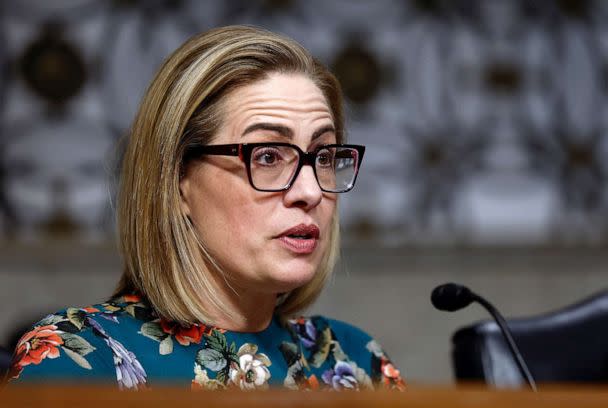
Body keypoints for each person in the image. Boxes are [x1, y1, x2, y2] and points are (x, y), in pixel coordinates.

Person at [5, 25, 405, 391]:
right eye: (267, 156)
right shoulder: (78, 359)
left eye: (322, 156)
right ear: (178, 181)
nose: (310, 191)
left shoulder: (354, 361)